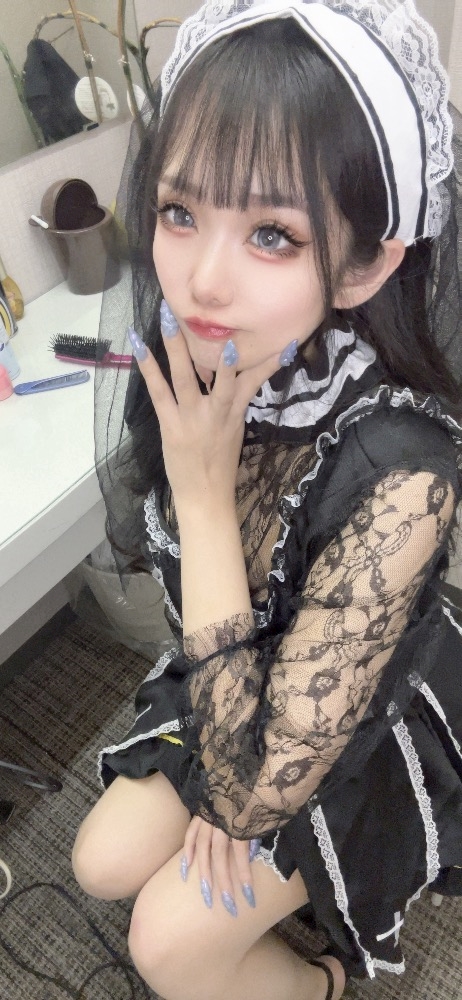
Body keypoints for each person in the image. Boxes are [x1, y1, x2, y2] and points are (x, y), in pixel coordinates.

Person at [72, 3, 462, 998]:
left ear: (366, 262)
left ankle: (324, 979)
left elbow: (259, 782)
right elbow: (197, 610)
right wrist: (219, 759)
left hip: (351, 714)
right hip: (234, 665)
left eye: (273, 234)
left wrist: (204, 499)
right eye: (180, 212)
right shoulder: (205, 358)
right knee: (99, 862)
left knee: (167, 944)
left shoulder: (405, 471)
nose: (203, 280)